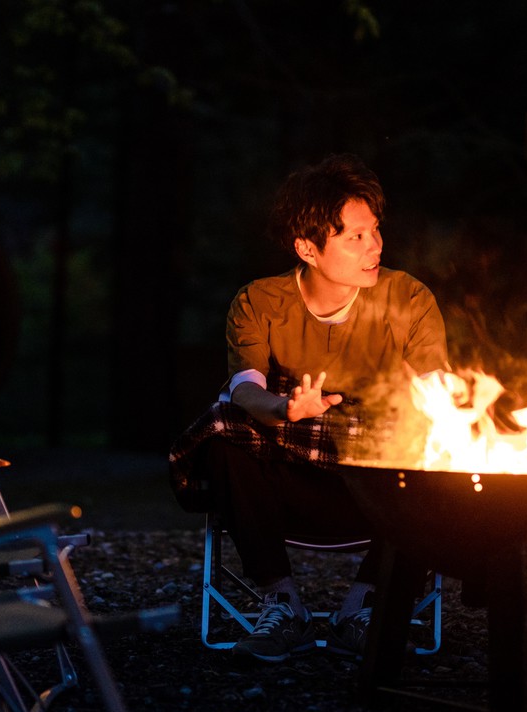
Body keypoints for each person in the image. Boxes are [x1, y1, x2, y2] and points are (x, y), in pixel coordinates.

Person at [169, 154, 449, 662]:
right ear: (308, 248)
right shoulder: (259, 302)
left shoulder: (408, 298)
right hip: (286, 476)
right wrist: (283, 410)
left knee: (439, 445)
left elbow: (439, 393)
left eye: (375, 231)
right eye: (354, 237)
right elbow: (243, 388)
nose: (375, 246)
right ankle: (282, 602)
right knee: (221, 430)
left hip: (380, 487)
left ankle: (364, 608)